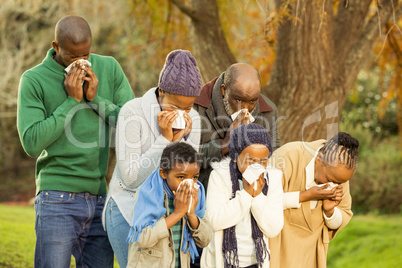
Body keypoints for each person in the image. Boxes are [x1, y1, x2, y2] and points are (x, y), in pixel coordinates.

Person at [16, 15, 134, 267]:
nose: (82, 63)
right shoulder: (33, 79)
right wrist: (71, 101)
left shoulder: (109, 67)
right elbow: (32, 142)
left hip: (100, 198)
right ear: (56, 47)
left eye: (86, 55)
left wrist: (96, 100)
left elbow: (132, 124)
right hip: (56, 199)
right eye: (73, 57)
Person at [104, 49, 202, 267]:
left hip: (168, 215)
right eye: (175, 107)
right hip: (127, 211)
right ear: (161, 92)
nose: (182, 114)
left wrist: (179, 141)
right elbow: (130, 178)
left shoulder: (192, 119)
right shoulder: (132, 112)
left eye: (188, 107)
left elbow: (185, 173)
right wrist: (164, 141)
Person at [268, 132, 359, 268]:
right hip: (276, 250)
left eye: (339, 183)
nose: (333, 186)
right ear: (319, 159)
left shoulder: (338, 174)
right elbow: (262, 201)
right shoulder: (287, 157)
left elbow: (344, 213)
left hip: (311, 256)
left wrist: (330, 212)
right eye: (329, 180)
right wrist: (305, 195)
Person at [201, 123, 284, 268]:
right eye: (250, 160)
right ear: (235, 157)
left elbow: (274, 228)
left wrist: (257, 196)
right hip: (223, 262)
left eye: (263, 161)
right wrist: (246, 195)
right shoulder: (220, 176)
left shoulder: (273, 178)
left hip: (256, 262)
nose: (256, 166)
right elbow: (215, 221)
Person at [193, 63, 281, 192]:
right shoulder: (197, 105)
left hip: (251, 192)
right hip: (206, 193)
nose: (245, 108)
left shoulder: (268, 110)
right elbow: (182, 160)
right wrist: (224, 144)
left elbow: (275, 157)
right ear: (224, 90)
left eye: (252, 101)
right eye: (239, 100)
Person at [126, 142, 212, 267]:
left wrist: (192, 214)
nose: (189, 183)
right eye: (181, 177)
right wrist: (177, 214)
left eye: (194, 177)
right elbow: (142, 239)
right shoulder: (149, 193)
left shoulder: (197, 193)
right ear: (163, 173)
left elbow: (205, 240)